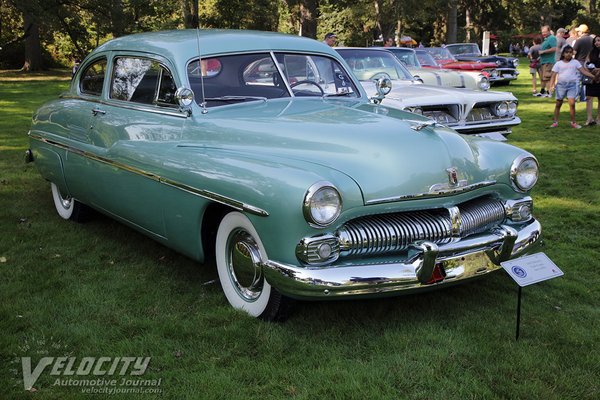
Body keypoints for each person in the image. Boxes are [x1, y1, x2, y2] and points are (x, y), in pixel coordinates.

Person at [548, 45, 597, 129]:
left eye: (570, 52)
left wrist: (593, 77)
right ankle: (555, 122)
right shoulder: (558, 63)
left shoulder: (575, 62)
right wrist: (551, 86)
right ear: (563, 54)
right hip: (561, 86)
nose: (568, 54)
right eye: (566, 52)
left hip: (572, 86)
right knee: (558, 104)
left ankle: (573, 122)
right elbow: (553, 75)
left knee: (572, 104)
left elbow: (583, 71)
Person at [573, 24, 594, 103]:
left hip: (579, 62)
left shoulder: (579, 40)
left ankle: (575, 98)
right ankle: (583, 98)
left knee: (577, 81)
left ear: (582, 32)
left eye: (578, 31)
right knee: (585, 81)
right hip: (588, 63)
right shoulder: (593, 40)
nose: (577, 33)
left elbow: (574, 52)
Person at [584, 35, 600, 125]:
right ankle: (589, 118)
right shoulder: (591, 52)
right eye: (595, 41)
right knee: (589, 97)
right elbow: (586, 64)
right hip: (592, 77)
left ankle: (598, 118)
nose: (597, 42)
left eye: (598, 40)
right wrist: (591, 74)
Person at [538, 25, 557, 97]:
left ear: (549, 31)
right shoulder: (546, 39)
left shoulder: (552, 38)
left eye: (545, 32)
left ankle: (549, 93)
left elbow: (554, 48)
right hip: (543, 61)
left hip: (549, 62)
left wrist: (543, 52)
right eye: (542, 32)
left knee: (547, 77)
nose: (543, 34)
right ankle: (542, 91)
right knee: (543, 78)